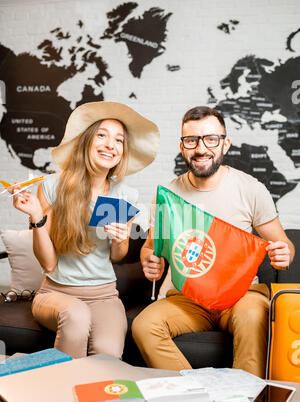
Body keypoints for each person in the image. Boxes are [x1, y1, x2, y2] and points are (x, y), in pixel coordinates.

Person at [132, 105, 294, 378]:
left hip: (240, 296)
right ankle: (194, 392)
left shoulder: (250, 188)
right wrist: (149, 259)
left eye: (211, 139)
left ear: (225, 144)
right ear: (182, 147)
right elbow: (150, 247)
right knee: (143, 325)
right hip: (187, 299)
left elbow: (285, 245)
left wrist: (283, 254)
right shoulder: (169, 195)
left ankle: (243, 400)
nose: (201, 148)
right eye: (191, 140)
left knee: (256, 316)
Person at [11, 101, 159, 359]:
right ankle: (61, 395)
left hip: (104, 296)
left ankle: (90, 397)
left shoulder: (122, 195)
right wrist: (36, 217)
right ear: (87, 142)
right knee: (76, 316)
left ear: (122, 152)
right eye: (102, 135)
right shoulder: (53, 187)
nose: (111, 145)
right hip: (56, 293)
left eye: (119, 140)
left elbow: (116, 256)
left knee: (107, 353)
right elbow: (48, 263)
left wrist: (120, 239)